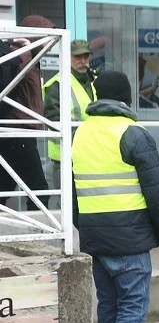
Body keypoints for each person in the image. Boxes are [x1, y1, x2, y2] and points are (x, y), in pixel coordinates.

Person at [71, 70, 159, 323]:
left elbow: (74, 191)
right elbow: (155, 192)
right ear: (127, 99)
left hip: (95, 237)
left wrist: (84, 228)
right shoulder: (134, 133)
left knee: (109, 305)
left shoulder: (81, 133)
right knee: (132, 306)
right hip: (128, 239)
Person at [0, 14, 54, 210]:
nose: (50, 43)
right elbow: (12, 78)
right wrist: (24, 49)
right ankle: (38, 234)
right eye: (45, 37)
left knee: (4, 187)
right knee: (39, 190)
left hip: (19, 131)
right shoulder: (22, 55)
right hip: (17, 131)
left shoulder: (31, 57)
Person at [43, 39, 97, 209]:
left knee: (90, 206)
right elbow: (53, 120)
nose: (82, 61)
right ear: (68, 58)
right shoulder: (57, 84)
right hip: (66, 157)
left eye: (85, 57)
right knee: (69, 209)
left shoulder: (95, 80)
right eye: (77, 57)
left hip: (93, 155)